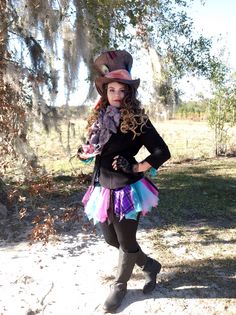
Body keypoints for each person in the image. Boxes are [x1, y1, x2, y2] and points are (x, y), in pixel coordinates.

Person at [78, 50, 171, 313]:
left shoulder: (138, 121)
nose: (117, 94)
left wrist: (138, 166)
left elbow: (162, 152)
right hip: (101, 187)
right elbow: (92, 150)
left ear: (129, 93)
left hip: (127, 190)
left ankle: (119, 286)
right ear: (105, 93)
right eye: (112, 90)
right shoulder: (99, 121)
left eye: (122, 90)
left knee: (127, 242)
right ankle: (150, 265)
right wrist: (83, 152)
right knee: (111, 240)